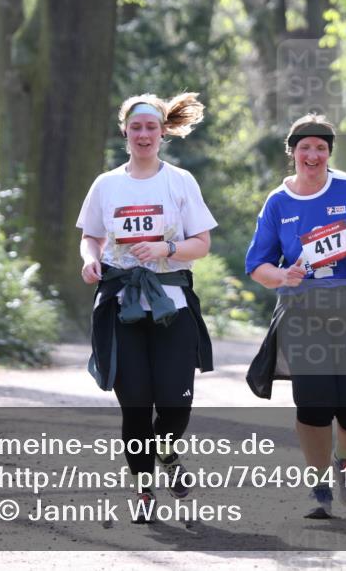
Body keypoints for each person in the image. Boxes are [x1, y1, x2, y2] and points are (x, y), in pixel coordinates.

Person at [245, 114, 346, 519]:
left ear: (329, 152)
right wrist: (284, 275)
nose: (313, 154)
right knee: (314, 402)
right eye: (305, 148)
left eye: (321, 147)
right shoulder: (278, 202)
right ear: (293, 153)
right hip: (303, 312)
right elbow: (257, 267)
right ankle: (318, 483)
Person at [77, 92, 217, 523]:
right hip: (121, 305)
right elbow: (91, 236)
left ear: (162, 132)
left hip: (170, 304)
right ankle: (142, 489)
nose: (143, 134)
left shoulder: (180, 181)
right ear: (125, 131)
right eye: (135, 127)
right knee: (135, 405)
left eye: (151, 127)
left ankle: (167, 454)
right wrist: (90, 259)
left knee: (175, 405)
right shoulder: (106, 184)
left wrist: (165, 246)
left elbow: (202, 244)